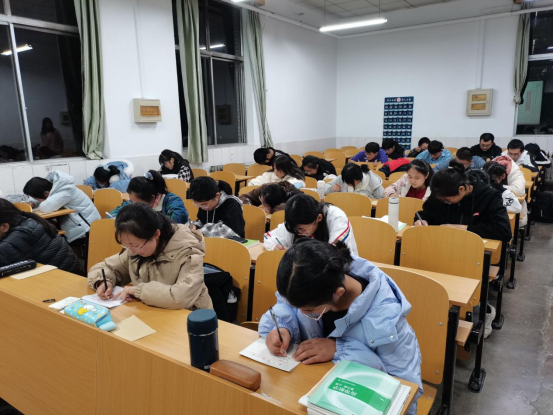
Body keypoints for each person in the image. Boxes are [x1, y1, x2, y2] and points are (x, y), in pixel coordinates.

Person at [259, 239, 422, 415]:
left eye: (309, 311)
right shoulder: (310, 284)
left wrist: (339, 350)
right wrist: (283, 327)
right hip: (306, 393)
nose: (302, 313)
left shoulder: (387, 322)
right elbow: (286, 306)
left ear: (338, 293)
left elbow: (405, 391)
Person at [88, 203, 213, 310]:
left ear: (156, 234)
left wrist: (139, 291)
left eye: (136, 245)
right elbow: (106, 267)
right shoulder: (137, 248)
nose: (132, 251)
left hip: (190, 317)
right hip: (154, 311)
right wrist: (103, 282)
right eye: (126, 245)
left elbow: (181, 297)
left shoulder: (188, 251)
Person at [415, 160, 512, 243]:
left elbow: (503, 231)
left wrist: (462, 228)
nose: (442, 201)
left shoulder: (490, 196)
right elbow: (425, 213)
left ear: (461, 189)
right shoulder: (440, 191)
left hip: (472, 248)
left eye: (447, 200)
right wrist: (421, 220)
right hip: (440, 243)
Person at [0, 199, 82, 275]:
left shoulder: (21, 235)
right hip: (56, 273)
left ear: (5, 226)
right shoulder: (24, 220)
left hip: (65, 278)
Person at [264, 193, 358, 255]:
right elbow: (268, 237)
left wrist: (298, 253)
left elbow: (336, 252)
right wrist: (275, 246)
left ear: (319, 218)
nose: (298, 233)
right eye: (296, 229)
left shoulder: (336, 217)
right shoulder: (295, 220)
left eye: (302, 229)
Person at [23, 171, 101, 244]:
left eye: (37, 199)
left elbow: (45, 207)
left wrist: (36, 203)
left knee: (48, 241)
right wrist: (33, 202)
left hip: (86, 229)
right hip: (76, 225)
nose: (38, 201)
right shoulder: (52, 186)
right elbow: (39, 198)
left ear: (46, 193)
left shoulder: (65, 191)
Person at [108, 171, 189, 224]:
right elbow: (112, 214)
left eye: (138, 203)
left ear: (153, 198)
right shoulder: (134, 202)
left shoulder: (171, 200)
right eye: (131, 201)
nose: (133, 205)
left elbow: (177, 220)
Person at [484, 159, 527, 227]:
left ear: (503, 176)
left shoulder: (505, 193)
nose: (489, 183)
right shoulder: (480, 188)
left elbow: (517, 208)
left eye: (492, 180)